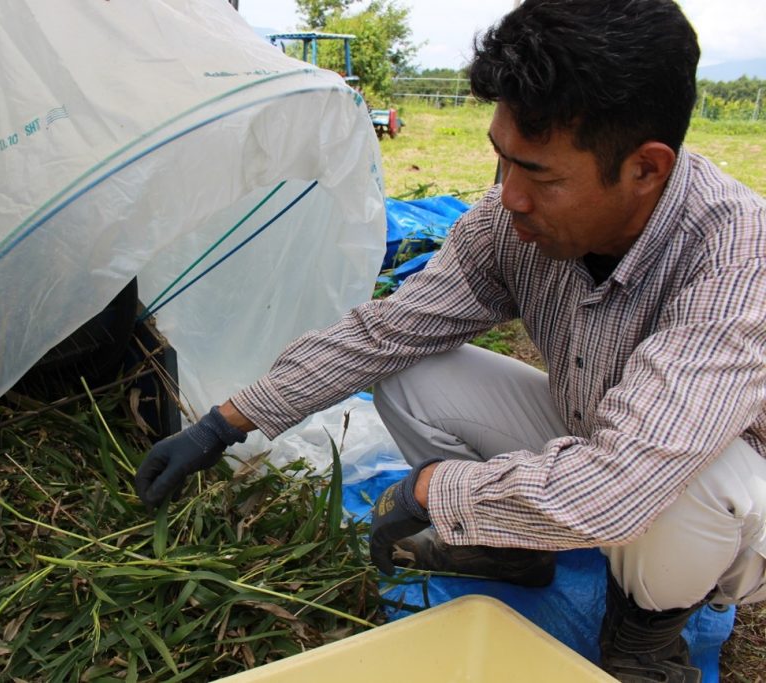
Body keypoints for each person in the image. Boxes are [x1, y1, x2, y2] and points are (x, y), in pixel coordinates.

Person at [134, 0, 766, 680]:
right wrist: (226, 422)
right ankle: (513, 545)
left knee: (696, 481)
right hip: (601, 431)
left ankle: (645, 634)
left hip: (718, 491)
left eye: (541, 175)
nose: (510, 197)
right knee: (411, 370)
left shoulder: (734, 258)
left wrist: (437, 490)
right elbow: (389, 330)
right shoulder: (508, 221)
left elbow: (625, 480)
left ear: (645, 169)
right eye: (503, 162)